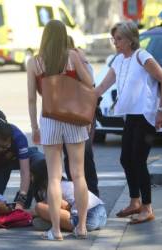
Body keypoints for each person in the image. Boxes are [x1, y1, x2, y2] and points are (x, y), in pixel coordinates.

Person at [27, 20, 93, 240]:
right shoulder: (72, 57)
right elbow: (90, 82)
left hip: (49, 119)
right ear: (64, 35)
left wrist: (35, 127)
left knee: (54, 177)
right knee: (79, 174)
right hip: (73, 118)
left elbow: (31, 99)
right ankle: (82, 227)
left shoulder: (34, 63)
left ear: (44, 37)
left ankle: (55, 230)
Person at [95, 21, 162, 224]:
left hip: (146, 116)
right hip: (130, 117)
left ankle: (147, 207)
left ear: (130, 39)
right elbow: (101, 87)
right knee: (126, 159)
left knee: (138, 160)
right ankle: (135, 201)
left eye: (118, 39)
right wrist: (84, 98)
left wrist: (161, 111)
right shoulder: (119, 60)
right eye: (114, 38)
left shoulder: (142, 56)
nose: (115, 43)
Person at [63, 35, 99, 197]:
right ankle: (82, 195)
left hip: (82, 114)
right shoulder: (67, 60)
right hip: (71, 115)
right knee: (73, 157)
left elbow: (90, 87)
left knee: (84, 156)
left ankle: (93, 196)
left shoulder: (77, 58)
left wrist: (89, 118)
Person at [30, 165, 106, 234]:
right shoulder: (65, 183)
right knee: (43, 210)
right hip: (102, 214)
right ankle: (56, 223)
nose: (30, 178)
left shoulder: (53, 189)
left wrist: (38, 212)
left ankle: (55, 225)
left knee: (39, 207)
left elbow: (66, 206)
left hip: (88, 218)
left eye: (31, 175)